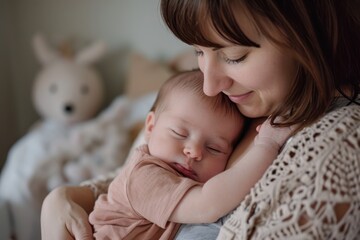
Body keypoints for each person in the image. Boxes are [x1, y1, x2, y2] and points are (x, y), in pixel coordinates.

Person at [41, 0, 360, 239]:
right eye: (198, 52)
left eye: (234, 56)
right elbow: (129, 181)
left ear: (309, 31)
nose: (210, 87)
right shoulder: (248, 106)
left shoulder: (337, 148)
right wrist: (62, 198)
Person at [88, 70, 294, 239]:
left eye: (214, 148)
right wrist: (267, 145)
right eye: (179, 134)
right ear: (150, 126)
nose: (194, 152)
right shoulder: (143, 177)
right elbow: (208, 204)